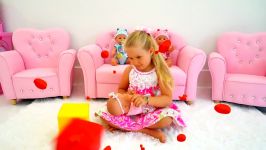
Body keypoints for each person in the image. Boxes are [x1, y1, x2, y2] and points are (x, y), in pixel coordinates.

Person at [95, 30, 186, 143]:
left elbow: (167, 99)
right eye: (131, 58)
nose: (135, 62)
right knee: (106, 112)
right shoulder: (130, 70)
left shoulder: (158, 72)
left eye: (138, 57)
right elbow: (121, 89)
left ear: (151, 51)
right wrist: (126, 96)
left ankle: (131, 126)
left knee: (167, 119)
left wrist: (146, 99)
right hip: (131, 109)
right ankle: (145, 130)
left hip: (151, 110)